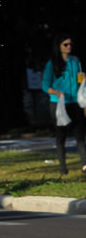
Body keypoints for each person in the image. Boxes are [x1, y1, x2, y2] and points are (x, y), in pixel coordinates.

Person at [42, 33, 86, 175]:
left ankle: (85, 165)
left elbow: (79, 81)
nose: (69, 47)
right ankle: (63, 168)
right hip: (58, 104)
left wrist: (83, 78)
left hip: (75, 103)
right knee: (61, 136)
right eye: (65, 44)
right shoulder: (52, 64)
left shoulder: (75, 60)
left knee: (80, 135)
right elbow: (44, 85)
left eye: (70, 44)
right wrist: (55, 92)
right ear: (59, 47)